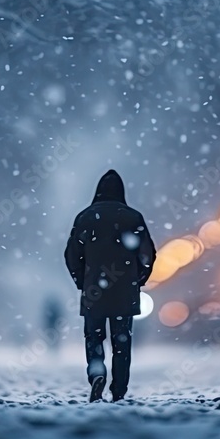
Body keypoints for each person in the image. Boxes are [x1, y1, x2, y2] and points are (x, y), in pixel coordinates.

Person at [64, 169, 157, 402]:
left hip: (93, 289)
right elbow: (148, 253)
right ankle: (119, 390)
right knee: (121, 342)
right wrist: (139, 279)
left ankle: (97, 372)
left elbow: (71, 255)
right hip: (124, 290)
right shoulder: (133, 217)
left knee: (94, 337)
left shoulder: (85, 217)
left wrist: (81, 281)